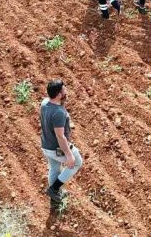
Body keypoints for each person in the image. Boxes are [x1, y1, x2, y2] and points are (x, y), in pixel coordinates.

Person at [40, 79, 83, 208]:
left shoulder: (45, 103)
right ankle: (54, 189)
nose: (66, 92)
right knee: (77, 162)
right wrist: (69, 154)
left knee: (54, 168)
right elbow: (60, 136)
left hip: (46, 145)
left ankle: (55, 200)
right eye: (64, 90)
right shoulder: (58, 113)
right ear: (59, 94)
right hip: (55, 148)